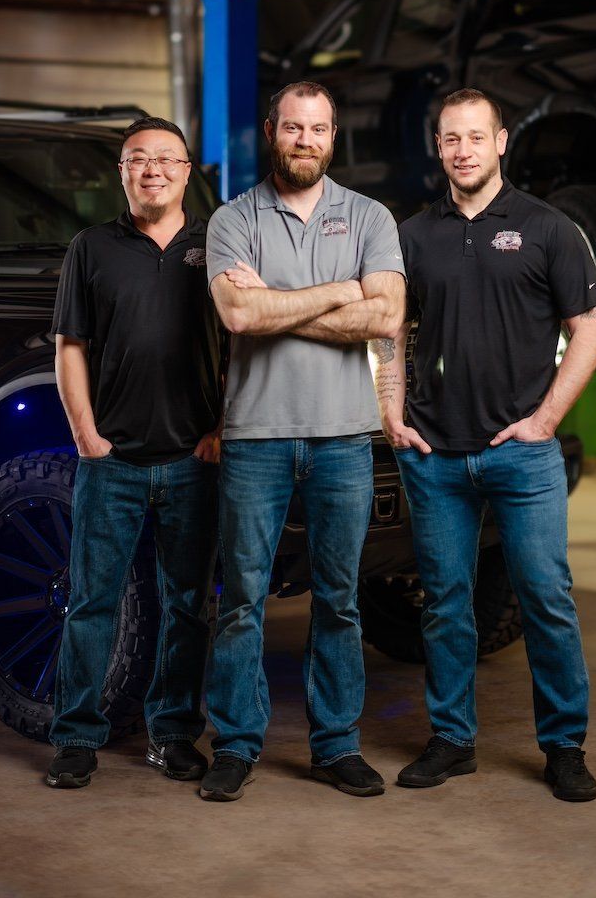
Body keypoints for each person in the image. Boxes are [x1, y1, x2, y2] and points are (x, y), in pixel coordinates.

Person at [372, 87, 596, 802]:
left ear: (502, 141)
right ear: (438, 147)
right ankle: (452, 741)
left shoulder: (547, 228)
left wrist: (544, 421)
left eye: (477, 136)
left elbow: (590, 328)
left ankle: (564, 745)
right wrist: (391, 410)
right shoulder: (414, 236)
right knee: (445, 602)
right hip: (436, 455)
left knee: (545, 599)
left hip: (523, 455)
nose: (464, 150)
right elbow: (389, 329)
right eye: (451, 139)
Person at [200, 81, 406, 801]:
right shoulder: (231, 219)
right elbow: (238, 316)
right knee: (242, 600)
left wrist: (278, 304)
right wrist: (339, 291)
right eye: (293, 127)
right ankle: (235, 745)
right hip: (255, 438)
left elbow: (386, 317)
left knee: (341, 600)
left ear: (333, 136)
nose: (305, 140)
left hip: (344, 438)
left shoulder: (371, 217)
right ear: (270, 131)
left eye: (319, 128)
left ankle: (336, 746)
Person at [45, 116, 222, 789]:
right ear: (121, 172)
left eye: (166, 160)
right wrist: (86, 435)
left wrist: (224, 428)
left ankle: (173, 733)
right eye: (137, 159)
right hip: (111, 462)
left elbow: (244, 347)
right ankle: (76, 736)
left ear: (186, 172)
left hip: (193, 460)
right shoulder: (90, 248)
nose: (152, 170)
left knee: (187, 606)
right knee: (93, 600)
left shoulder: (217, 245)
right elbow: (70, 347)